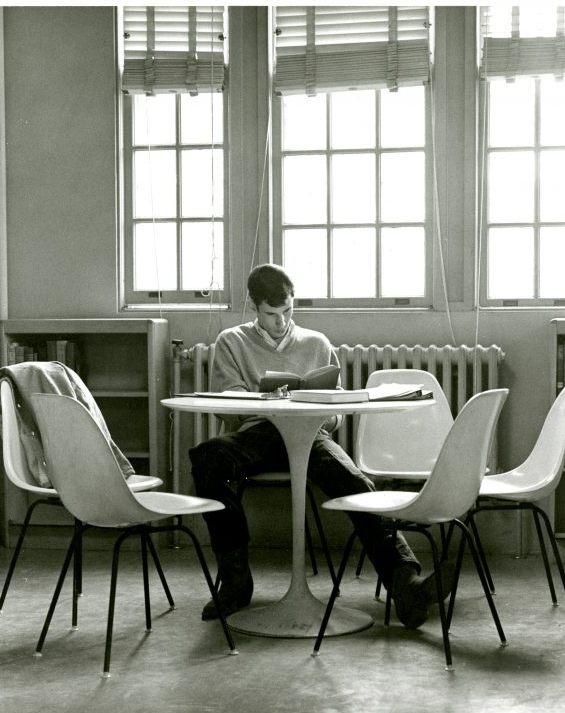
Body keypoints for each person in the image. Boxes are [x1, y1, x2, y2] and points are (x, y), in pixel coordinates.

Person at [189, 264, 454, 629]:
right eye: (271, 315)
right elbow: (229, 406)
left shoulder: (317, 344)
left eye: (287, 312)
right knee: (207, 458)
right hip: (255, 435)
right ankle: (235, 581)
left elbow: (338, 414)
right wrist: (269, 400)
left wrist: (316, 408)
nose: (281, 322)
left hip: (310, 436)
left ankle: (406, 584)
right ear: (253, 307)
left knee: (357, 484)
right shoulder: (231, 341)